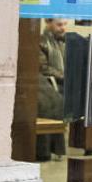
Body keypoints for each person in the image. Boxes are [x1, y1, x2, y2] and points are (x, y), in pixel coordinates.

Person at [37, 18, 68, 161]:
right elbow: (44, 68)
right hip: (53, 83)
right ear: (48, 24)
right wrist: (66, 77)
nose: (63, 28)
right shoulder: (41, 42)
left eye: (65, 24)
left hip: (64, 82)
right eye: (59, 24)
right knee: (54, 101)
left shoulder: (64, 42)